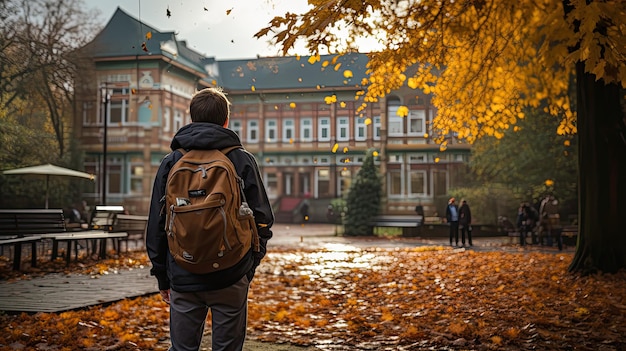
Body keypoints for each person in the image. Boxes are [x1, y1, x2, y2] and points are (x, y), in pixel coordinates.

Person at [146, 87, 275, 351]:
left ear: (191, 118)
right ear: (226, 120)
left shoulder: (172, 162)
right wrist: (248, 266)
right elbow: (263, 219)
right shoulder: (241, 160)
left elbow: (156, 226)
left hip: (183, 272)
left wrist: (163, 276)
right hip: (231, 272)